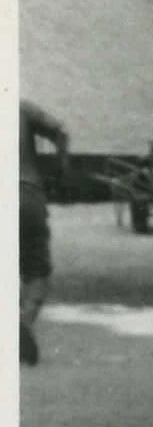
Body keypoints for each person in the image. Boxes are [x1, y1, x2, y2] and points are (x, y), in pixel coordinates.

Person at [20, 98, 70, 367]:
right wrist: (61, 172)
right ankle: (24, 321)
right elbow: (61, 132)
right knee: (37, 270)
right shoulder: (22, 108)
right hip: (27, 193)